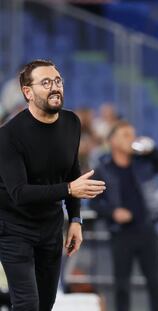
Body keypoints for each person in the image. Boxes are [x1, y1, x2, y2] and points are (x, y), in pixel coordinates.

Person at [0, 59, 106, 311]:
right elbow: (20, 193)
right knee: (27, 304)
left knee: (46, 304)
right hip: (13, 228)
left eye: (57, 81)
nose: (54, 87)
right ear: (28, 92)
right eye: (45, 82)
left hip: (50, 226)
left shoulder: (72, 123)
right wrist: (69, 189)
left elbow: (72, 172)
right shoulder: (8, 136)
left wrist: (76, 220)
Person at [90, 120, 158, 311]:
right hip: (121, 234)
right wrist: (113, 212)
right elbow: (93, 203)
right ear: (112, 141)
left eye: (133, 135)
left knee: (155, 284)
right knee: (122, 286)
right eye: (126, 135)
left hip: (147, 230)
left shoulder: (143, 163)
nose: (131, 139)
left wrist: (152, 150)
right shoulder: (103, 170)